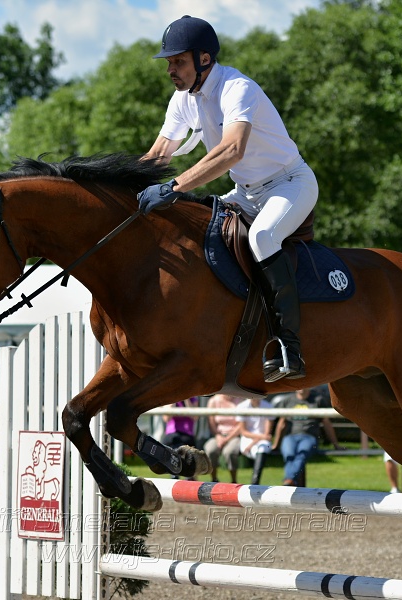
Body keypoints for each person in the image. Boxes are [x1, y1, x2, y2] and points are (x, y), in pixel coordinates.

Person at [140, 15, 319, 383]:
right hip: (248, 192)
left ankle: (289, 346)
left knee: (262, 238)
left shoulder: (238, 88)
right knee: (198, 223)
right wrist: (121, 191)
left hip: (290, 184)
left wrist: (173, 188)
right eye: (170, 63)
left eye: (179, 61)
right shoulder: (183, 99)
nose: (171, 69)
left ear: (204, 59)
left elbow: (232, 151)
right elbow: (158, 155)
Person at [272, 385, 344, 486]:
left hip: (309, 437)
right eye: (298, 384)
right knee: (289, 455)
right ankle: (291, 481)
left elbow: (326, 423)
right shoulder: (288, 400)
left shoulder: (318, 400)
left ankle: (288, 480)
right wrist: (276, 444)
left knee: (301, 454)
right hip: (291, 436)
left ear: (309, 385)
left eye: (303, 384)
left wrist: (335, 444)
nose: (300, 387)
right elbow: (281, 424)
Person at [201, 393, 242, 483]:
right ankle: (214, 479)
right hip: (218, 435)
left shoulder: (240, 401)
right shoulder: (213, 401)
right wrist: (218, 435)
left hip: (234, 435)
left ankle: (234, 480)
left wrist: (227, 439)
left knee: (229, 452)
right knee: (210, 449)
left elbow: (241, 424)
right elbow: (211, 422)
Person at [233, 396, 273, 485]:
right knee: (260, 450)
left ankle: (255, 482)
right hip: (248, 438)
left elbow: (267, 432)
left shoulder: (268, 406)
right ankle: (255, 482)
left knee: (262, 448)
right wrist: (257, 439)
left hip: (261, 440)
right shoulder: (242, 407)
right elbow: (243, 431)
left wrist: (253, 442)